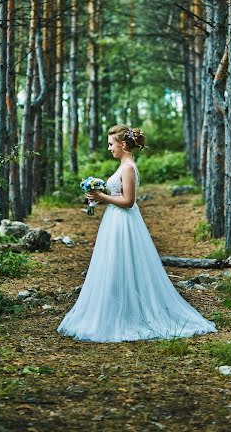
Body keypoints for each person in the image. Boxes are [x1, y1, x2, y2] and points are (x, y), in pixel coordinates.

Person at [57, 124, 217, 342]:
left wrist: (103, 198)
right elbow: (119, 195)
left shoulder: (128, 167)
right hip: (115, 221)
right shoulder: (123, 164)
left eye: (111, 144)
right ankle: (112, 311)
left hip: (124, 223)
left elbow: (129, 201)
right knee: (113, 266)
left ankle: (126, 315)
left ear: (122, 145)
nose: (108, 148)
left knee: (122, 265)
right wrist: (99, 195)